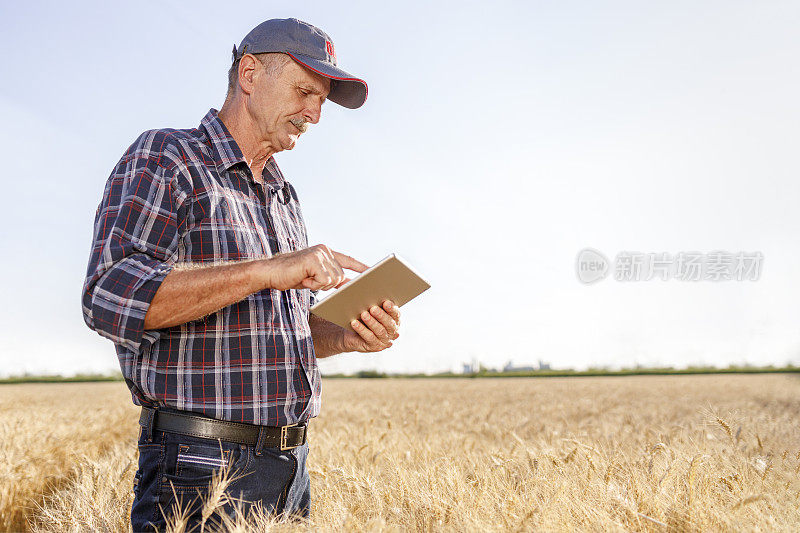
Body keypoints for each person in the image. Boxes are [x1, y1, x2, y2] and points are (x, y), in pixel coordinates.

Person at [81, 18, 400, 531]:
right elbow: (109, 295)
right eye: (304, 92)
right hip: (200, 469)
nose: (315, 114)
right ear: (249, 74)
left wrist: (343, 335)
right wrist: (267, 270)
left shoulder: (283, 195)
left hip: (291, 471)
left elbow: (267, 330)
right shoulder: (167, 158)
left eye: (322, 100)